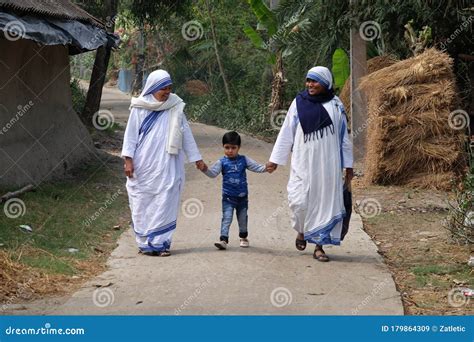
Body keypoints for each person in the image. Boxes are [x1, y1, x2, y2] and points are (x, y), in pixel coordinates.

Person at [267, 66, 353, 262]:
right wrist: (275, 160)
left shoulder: (336, 105)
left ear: (326, 83)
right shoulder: (298, 103)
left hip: (328, 166)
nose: (310, 85)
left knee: (324, 204)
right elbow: (286, 132)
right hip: (303, 163)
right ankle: (301, 231)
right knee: (298, 201)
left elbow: (344, 138)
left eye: (315, 81)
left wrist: (349, 166)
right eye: (308, 80)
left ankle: (319, 247)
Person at [121, 69, 206, 256]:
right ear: (153, 88)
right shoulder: (139, 108)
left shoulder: (175, 106)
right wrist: (128, 161)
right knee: (142, 201)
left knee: (166, 198)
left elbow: (186, 135)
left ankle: (160, 243)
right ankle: (144, 243)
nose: (167, 92)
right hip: (144, 166)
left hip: (168, 165)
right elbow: (130, 137)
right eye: (163, 88)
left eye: (169, 88)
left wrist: (197, 159)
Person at [201, 131, 267, 249]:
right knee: (227, 217)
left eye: (233, 148)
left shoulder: (244, 159)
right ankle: (223, 240)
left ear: (239, 148)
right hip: (228, 197)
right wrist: (204, 169)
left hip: (242, 197)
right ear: (223, 147)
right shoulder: (221, 162)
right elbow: (212, 173)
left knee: (242, 218)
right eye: (227, 147)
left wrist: (267, 167)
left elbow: (257, 167)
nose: (230, 150)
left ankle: (243, 237)